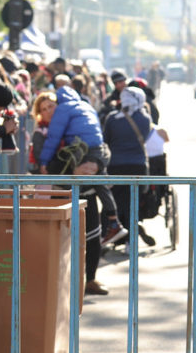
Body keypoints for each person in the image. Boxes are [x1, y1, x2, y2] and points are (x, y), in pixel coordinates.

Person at [39, 85, 129, 245]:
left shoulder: (64, 108)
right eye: (44, 109)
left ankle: (102, 225)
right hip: (96, 147)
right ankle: (114, 221)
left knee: (83, 177)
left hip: (81, 149)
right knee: (99, 180)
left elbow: (53, 138)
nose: (50, 110)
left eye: (51, 106)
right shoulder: (87, 105)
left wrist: (44, 162)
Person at [104, 86, 152, 245]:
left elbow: (107, 141)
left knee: (117, 202)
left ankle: (117, 233)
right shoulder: (145, 119)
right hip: (137, 166)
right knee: (133, 204)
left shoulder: (112, 118)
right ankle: (131, 242)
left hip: (115, 166)